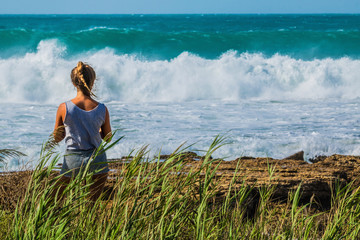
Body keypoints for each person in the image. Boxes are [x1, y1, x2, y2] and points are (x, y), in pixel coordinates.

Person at [53, 61, 112, 201]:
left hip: (73, 159)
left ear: (74, 83)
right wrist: (96, 131)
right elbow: (108, 138)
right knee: (92, 205)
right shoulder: (102, 109)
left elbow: (56, 137)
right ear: (92, 82)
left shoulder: (64, 107)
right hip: (97, 159)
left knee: (54, 200)